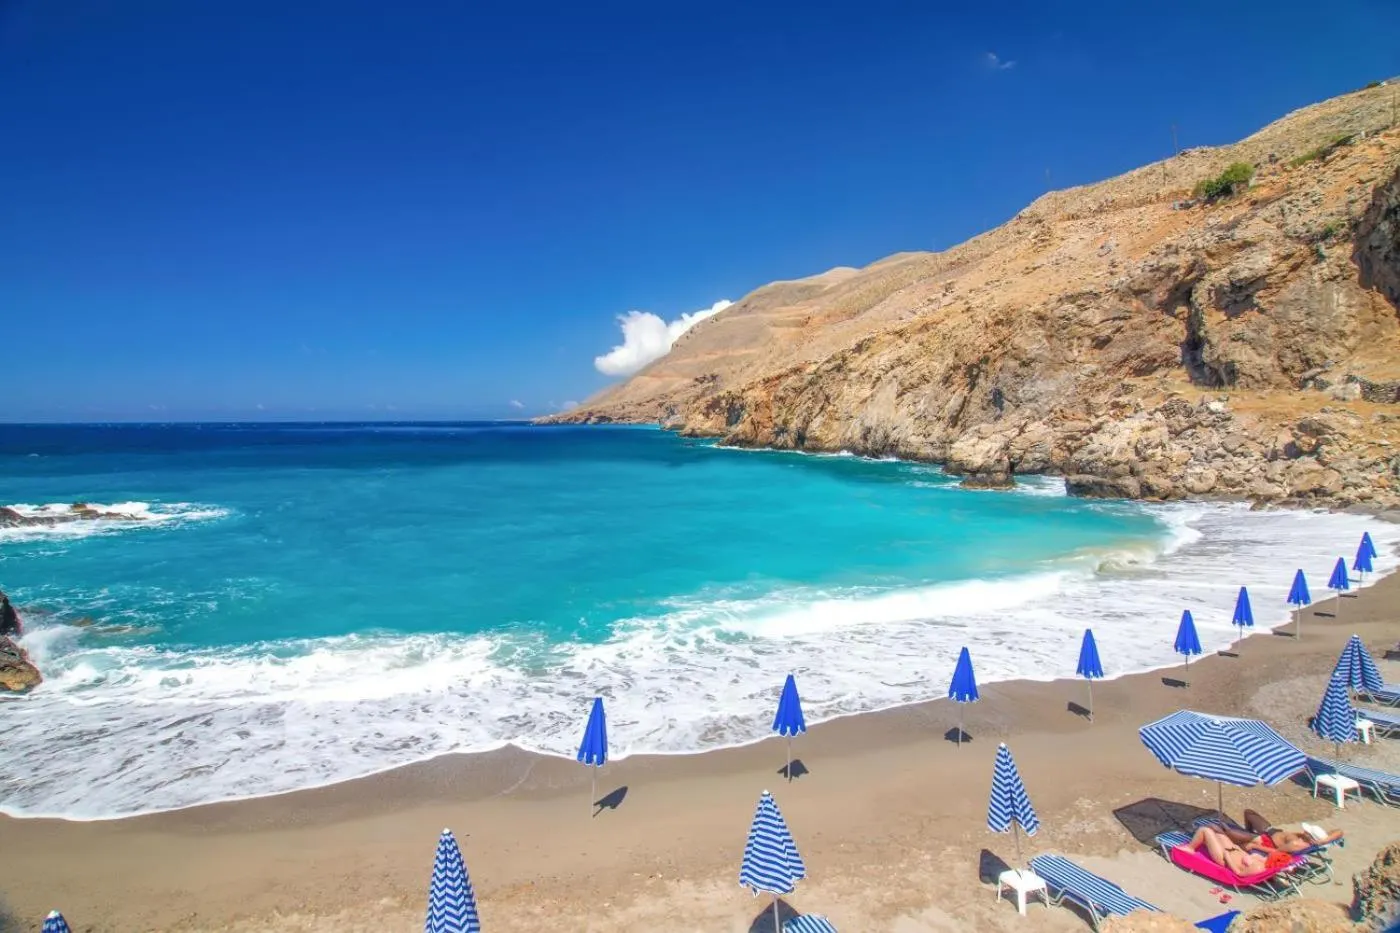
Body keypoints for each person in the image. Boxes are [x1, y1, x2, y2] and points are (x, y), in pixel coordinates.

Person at [1215, 808, 1344, 853]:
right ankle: (1248, 833)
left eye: (1307, 832)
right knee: (1249, 812)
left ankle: (1247, 836)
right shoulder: (1318, 840)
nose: (1304, 831)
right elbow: (1339, 831)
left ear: (1310, 837)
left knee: (1228, 832)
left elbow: (1276, 852)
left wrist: (1255, 846)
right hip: (1271, 831)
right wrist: (1324, 840)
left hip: (1266, 840)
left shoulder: (1296, 844)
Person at [1183, 826, 1284, 877]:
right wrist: (1238, 848)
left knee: (1205, 830)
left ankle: (1190, 848)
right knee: (1215, 830)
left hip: (1224, 858)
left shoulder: (1258, 868)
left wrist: (1227, 856)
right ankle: (1200, 839)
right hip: (1233, 849)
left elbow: (1239, 872)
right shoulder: (1264, 862)